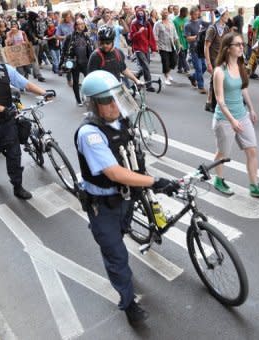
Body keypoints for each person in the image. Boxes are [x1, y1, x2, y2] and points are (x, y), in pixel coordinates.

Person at [75, 70, 179, 325]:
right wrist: (155, 181)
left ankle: (116, 240)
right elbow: (114, 172)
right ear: (94, 104)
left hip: (126, 199)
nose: (114, 105)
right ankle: (128, 303)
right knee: (116, 254)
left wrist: (144, 180)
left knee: (121, 234)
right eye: (107, 101)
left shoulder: (122, 122)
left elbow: (132, 157)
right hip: (103, 204)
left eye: (116, 98)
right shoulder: (90, 134)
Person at [0, 37, 55, 200]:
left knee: (15, 154)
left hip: (8, 120)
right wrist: (2, 109)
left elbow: (25, 84)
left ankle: (17, 186)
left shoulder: (6, 69)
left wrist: (44, 92)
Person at [212, 32, 259, 198]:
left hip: (242, 115)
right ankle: (218, 179)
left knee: (252, 150)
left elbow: (243, 88)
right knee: (222, 153)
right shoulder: (220, 71)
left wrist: (252, 109)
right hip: (225, 119)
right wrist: (231, 120)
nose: (241, 47)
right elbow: (220, 100)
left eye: (242, 44)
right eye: (237, 45)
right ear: (227, 48)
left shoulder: (240, 66)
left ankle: (254, 186)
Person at [60, 18, 94, 106]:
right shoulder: (70, 37)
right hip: (74, 63)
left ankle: (88, 97)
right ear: (76, 26)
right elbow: (63, 50)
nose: (82, 25)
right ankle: (78, 100)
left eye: (83, 23)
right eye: (80, 24)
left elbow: (90, 50)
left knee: (89, 81)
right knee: (75, 81)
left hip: (85, 62)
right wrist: (62, 63)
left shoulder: (86, 36)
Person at [204, 6, 231, 113]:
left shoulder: (226, 28)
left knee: (217, 80)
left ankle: (210, 102)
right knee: (214, 81)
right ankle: (211, 102)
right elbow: (206, 47)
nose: (228, 16)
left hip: (222, 59)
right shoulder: (212, 29)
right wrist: (208, 63)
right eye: (226, 14)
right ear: (221, 16)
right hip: (214, 59)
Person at [130, 6, 157, 92]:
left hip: (146, 47)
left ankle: (136, 76)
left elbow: (151, 36)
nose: (141, 14)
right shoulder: (134, 24)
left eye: (142, 13)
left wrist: (153, 48)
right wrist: (139, 32)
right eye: (139, 13)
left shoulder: (147, 24)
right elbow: (131, 37)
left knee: (145, 66)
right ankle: (149, 85)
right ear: (136, 14)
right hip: (138, 48)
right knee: (146, 65)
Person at [153, 8, 179, 85]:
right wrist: (156, 46)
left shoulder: (171, 22)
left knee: (174, 61)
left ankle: (168, 72)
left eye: (166, 12)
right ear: (161, 14)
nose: (165, 14)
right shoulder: (158, 24)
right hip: (162, 46)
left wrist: (178, 43)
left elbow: (175, 34)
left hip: (171, 45)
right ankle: (166, 77)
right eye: (163, 13)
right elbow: (155, 36)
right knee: (165, 62)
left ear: (168, 13)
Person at [173, 7, 190, 74]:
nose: (187, 14)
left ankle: (179, 68)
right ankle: (186, 68)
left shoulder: (187, 20)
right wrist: (176, 41)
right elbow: (174, 32)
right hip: (178, 41)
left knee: (184, 55)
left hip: (185, 40)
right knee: (182, 55)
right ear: (182, 12)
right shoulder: (175, 21)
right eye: (186, 12)